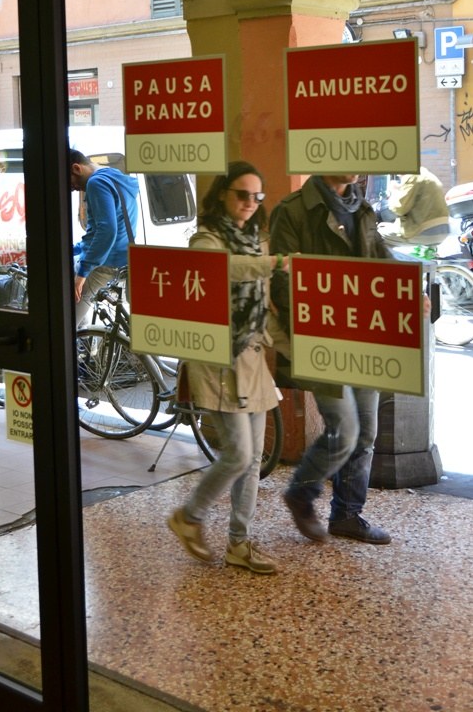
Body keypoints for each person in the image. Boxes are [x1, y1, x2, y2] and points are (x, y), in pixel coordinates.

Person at [167, 162, 288, 574]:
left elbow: (261, 311)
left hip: (251, 358)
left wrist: (293, 348)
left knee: (253, 459)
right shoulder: (206, 239)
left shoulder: (255, 240)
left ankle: (239, 543)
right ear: (223, 193)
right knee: (238, 454)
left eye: (257, 196)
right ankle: (189, 516)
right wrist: (274, 263)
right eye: (242, 195)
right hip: (216, 360)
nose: (250, 203)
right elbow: (221, 269)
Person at [268, 174, 392, 545]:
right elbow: (281, 283)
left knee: (365, 431)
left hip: (363, 335)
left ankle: (347, 515)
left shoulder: (362, 207)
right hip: (320, 339)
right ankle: (301, 492)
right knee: (346, 430)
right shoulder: (293, 210)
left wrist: (408, 291)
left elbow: (383, 262)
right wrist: (327, 312)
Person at [69, 149, 139, 327]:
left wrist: (82, 273)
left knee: (68, 316)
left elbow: (107, 231)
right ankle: (84, 335)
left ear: (76, 168)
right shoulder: (112, 175)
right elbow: (97, 230)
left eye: (71, 184)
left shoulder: (96, 183)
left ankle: (77, 336)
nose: (73, 189)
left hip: (108, 261)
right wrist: (77, 248)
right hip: (125, 254)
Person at [376, 166, 450, 248]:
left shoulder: (411, 176)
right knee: (386, 229)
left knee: (376, 236)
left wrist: (393, 191)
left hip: (424, 231)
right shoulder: (428, 175)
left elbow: (399, 209)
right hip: (442, 230)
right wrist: (392, 226)